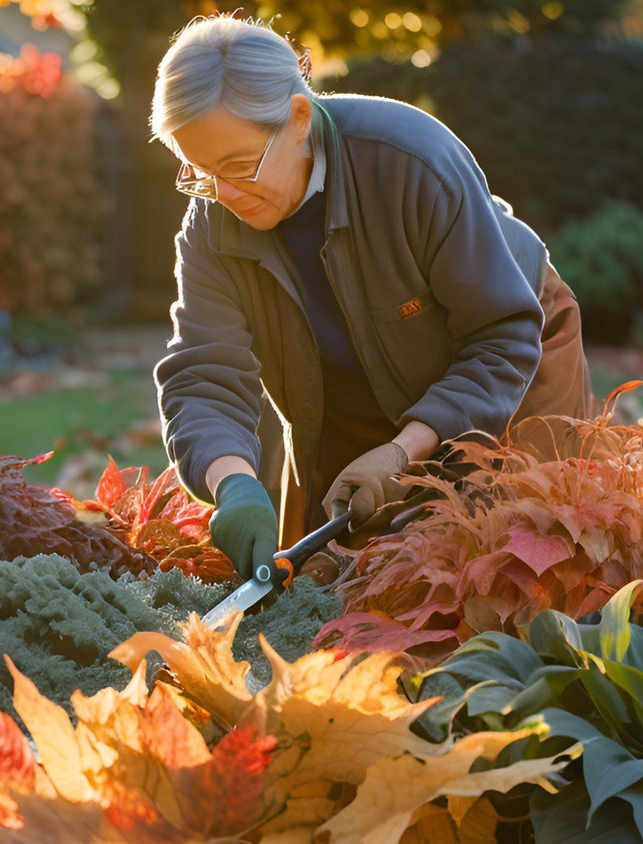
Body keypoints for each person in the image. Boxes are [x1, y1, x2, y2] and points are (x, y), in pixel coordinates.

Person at [151, 14, 593, 584]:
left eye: (238, 166)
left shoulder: (413, 160)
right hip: (353, 383)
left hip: (515, 352)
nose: (224, 195)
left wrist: (401, 452)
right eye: (200, 173)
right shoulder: (211, 220)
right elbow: (203, 372)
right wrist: (234, 483)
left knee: (509, 564)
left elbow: (500, 336)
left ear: (299, 118)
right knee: (336, 581)